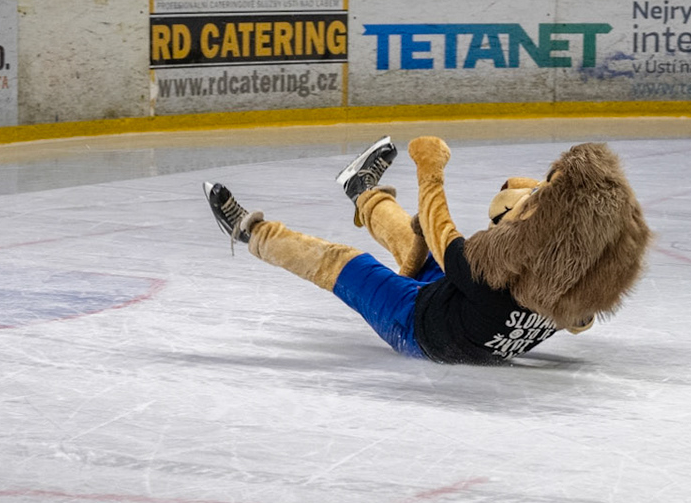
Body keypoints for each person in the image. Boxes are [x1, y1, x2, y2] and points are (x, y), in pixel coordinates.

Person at [202, 135, 651, 365]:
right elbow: (579, 321)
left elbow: (441, 229)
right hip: (459, 312)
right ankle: (361, 189)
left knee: (343, 262)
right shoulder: (575, 291)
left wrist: (430, 169)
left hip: (418, 326)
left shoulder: (486, 277)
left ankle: (249, 231)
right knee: (409, 237)